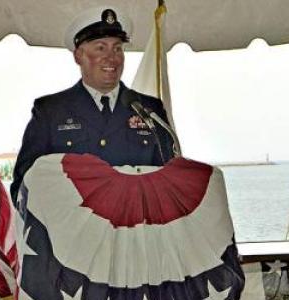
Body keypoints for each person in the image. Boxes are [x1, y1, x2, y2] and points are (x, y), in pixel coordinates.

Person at [10, 6, 174, 204]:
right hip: (73, 231)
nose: (111, 57)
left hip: (138, 231)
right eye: (100, 48)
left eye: (117, 48)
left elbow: (170, 179)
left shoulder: (149, 109)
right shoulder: (50, 111)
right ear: (78, 56)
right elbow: (24, 185)